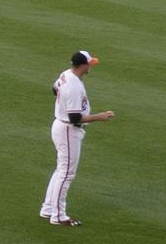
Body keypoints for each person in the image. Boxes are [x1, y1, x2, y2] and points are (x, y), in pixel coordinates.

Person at [40, 50, 116, 227]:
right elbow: (75, 117)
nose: (91, 66)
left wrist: (63, 102)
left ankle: (48, 209)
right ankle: (58, 216)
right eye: (90, 63)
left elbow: (54, 89)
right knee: (66, 173)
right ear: (83, 65)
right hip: (68, 129)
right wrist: (99, 116)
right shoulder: (73, 85)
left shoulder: (65, 74)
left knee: (61, 170)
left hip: (61, 126)